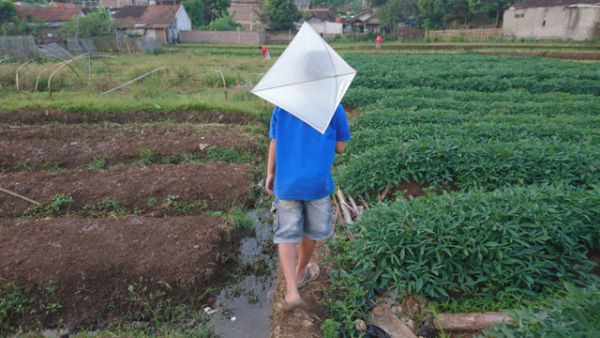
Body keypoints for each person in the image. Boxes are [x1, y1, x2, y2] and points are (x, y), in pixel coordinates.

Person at [266, 103, 350, 311]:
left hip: (287, 182)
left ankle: (292, 291)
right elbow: (340, 148)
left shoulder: (283, 106)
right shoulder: (333, 107)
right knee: (310, 232)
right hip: (317, 183)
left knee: (286, 234)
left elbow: (274, 142)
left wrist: (270, 173)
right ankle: (301, 271)